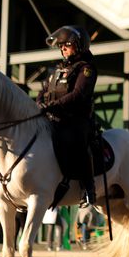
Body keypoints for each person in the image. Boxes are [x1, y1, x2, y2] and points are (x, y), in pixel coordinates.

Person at [36, 25, 98, 206]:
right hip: (52, 118)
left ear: (78, 46)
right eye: (61, 46)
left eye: (67, 45)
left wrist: (52, 106)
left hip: (75, 120)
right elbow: (43, 91)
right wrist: (39, 104)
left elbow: (78, 94)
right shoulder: (58, 70)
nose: (62, 49)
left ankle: (89, 188)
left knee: (77, 143)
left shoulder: (86, 69)